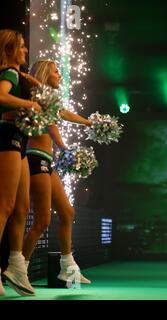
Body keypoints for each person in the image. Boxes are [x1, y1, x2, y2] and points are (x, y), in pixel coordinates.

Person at [21, 60, 92, 284]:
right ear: (45, 74)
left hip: (47, 161)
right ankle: (18, 267)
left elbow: (64, 114)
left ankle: (67, 267)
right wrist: (64, 148)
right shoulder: (37, 96)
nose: (59, 75)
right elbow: (51, 124)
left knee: (67, 212)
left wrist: (89, 123)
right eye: (55, 72)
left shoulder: (48, 98)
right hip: (35, 158)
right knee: (41, 220)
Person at [0, 29, 42, 296]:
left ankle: (16, 264)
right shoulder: (10, 74)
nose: (26, 51)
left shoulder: (19, 75)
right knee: (4, 205)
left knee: (21, 207)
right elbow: (1, 97)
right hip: (7, 138)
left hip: (19, 140)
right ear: (9, 50)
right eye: (22, 47)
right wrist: (30, 104)